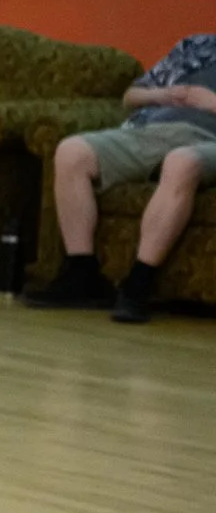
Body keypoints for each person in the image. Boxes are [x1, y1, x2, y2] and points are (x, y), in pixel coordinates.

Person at [25, 33, 216, 323]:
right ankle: (82, 275)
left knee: (180, 163)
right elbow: (131, 96)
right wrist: (164, 95)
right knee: (71, 151)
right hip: (151, 132)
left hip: (208, 140)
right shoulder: (196, 47)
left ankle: (138, 284)